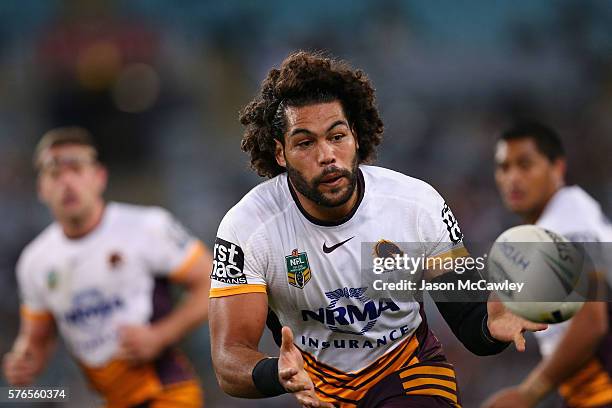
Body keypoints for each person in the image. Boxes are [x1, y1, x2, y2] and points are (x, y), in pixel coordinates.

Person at [208, 51, 546, 408]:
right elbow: (229, 359)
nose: (327, 155)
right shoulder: (248, 228)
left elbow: (471, 322)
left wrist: (491, 328)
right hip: (321, 392)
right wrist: (274, 372)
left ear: (355, 136)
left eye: (336, 136)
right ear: (280, 153)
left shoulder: (416, 206)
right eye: (305, 143)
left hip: (409, 372)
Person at [2, 127, 211, 408]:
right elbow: (35, 340)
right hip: (108, 400)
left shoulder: (147, 226)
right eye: (54, 173)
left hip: (166, 393)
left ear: (99, 177)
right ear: (41, 188)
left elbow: (213, 281)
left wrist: (160, 335)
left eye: (76, 168)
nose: (67, 181)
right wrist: (22, 360)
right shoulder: (35, 261)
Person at [484, 122, 612, 408]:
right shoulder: (562, 219)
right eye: (504, 167)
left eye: (525, 165)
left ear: (557, 168)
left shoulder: (568, 222)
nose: (513, 178)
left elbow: (592, 321)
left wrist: (529, 392)